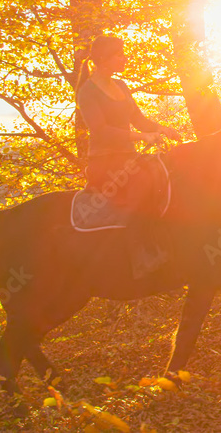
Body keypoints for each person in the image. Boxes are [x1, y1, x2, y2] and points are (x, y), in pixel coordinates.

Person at [76, 35, 183, 277]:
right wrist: (141, 138)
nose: (125, 58)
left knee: (167, 176)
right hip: (105, 162)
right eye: (119, 54)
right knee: (142, 183)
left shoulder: (121, 87)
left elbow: (139, 120)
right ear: (103, 59)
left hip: (127, 159)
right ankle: (139, 255)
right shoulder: (87, 92)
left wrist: (161, 129)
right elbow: (100, 131)